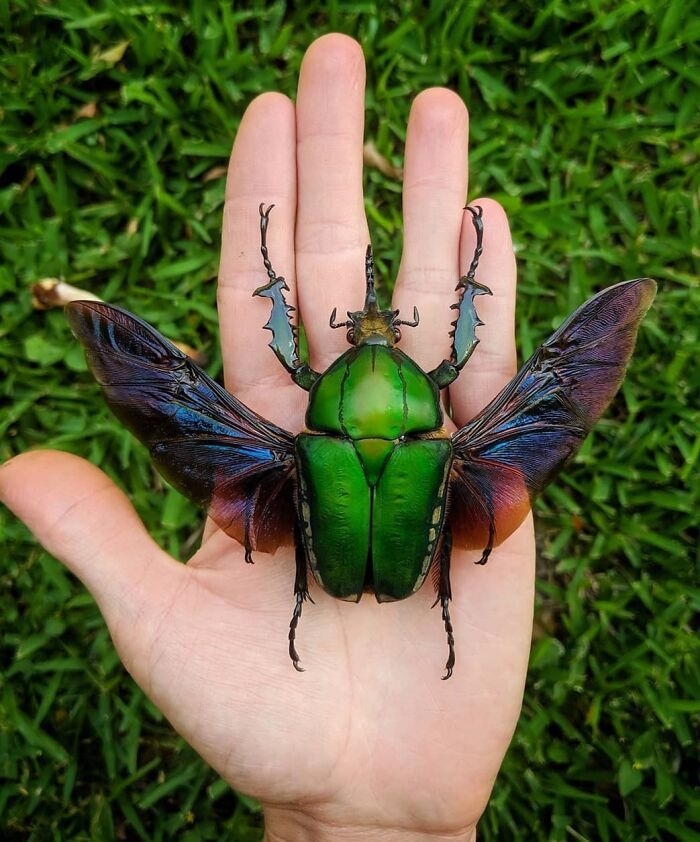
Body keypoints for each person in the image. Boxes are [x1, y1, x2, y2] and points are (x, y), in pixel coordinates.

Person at [0, 34, 534, 841]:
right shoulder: (446, 441)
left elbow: (287, 361)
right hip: (408, 566)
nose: (373, 337)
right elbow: (464, 360)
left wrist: (274, 288)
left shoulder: (306, 435)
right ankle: (445, 612)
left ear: (332, 387)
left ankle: (329, 605)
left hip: (320, 566)